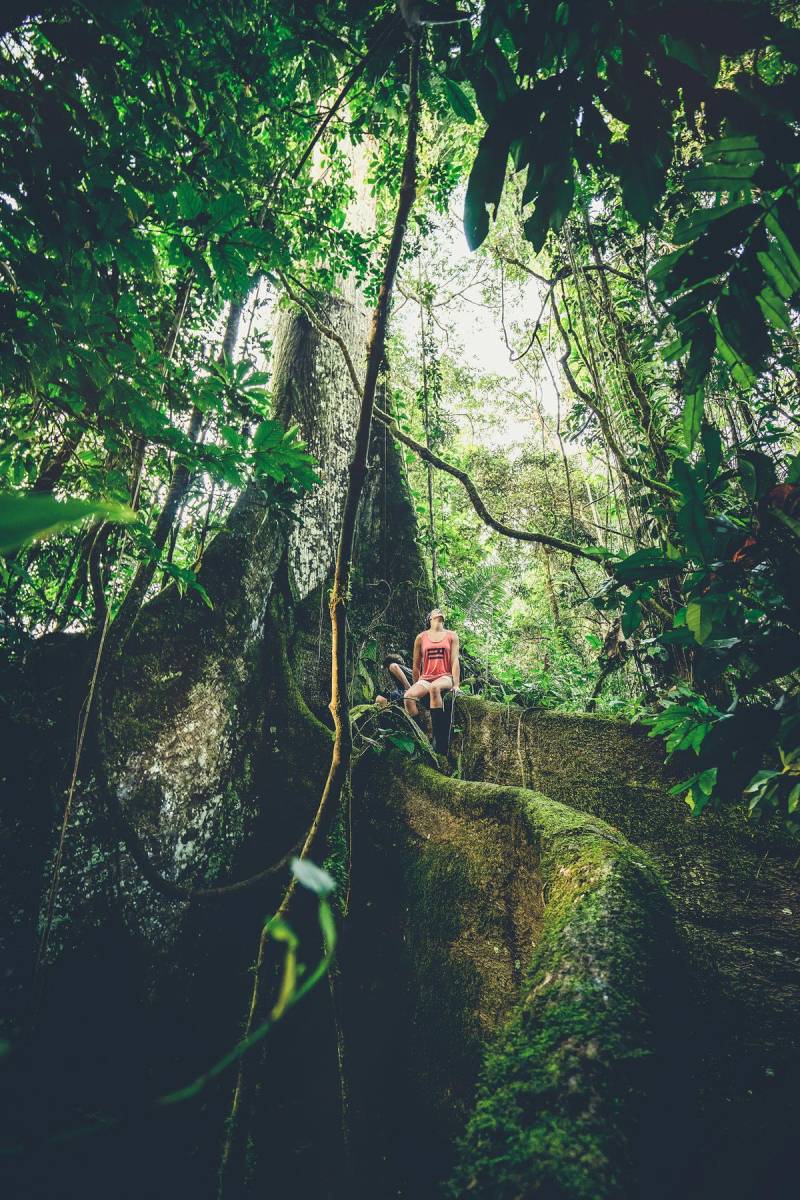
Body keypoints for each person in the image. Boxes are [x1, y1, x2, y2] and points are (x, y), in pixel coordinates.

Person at [404, 607, 460, 753]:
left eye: (441, 611)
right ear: (430, 618)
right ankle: (420, 736)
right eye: (436, 611)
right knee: (408, 697)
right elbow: (415, 666)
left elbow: (455, 661)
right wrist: (417, 684)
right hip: (426, 678)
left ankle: (439, 740)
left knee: (434, 688)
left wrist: (457, 684)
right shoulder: (421, 637)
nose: (439, 611)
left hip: (445, 676)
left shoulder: (451, 635)